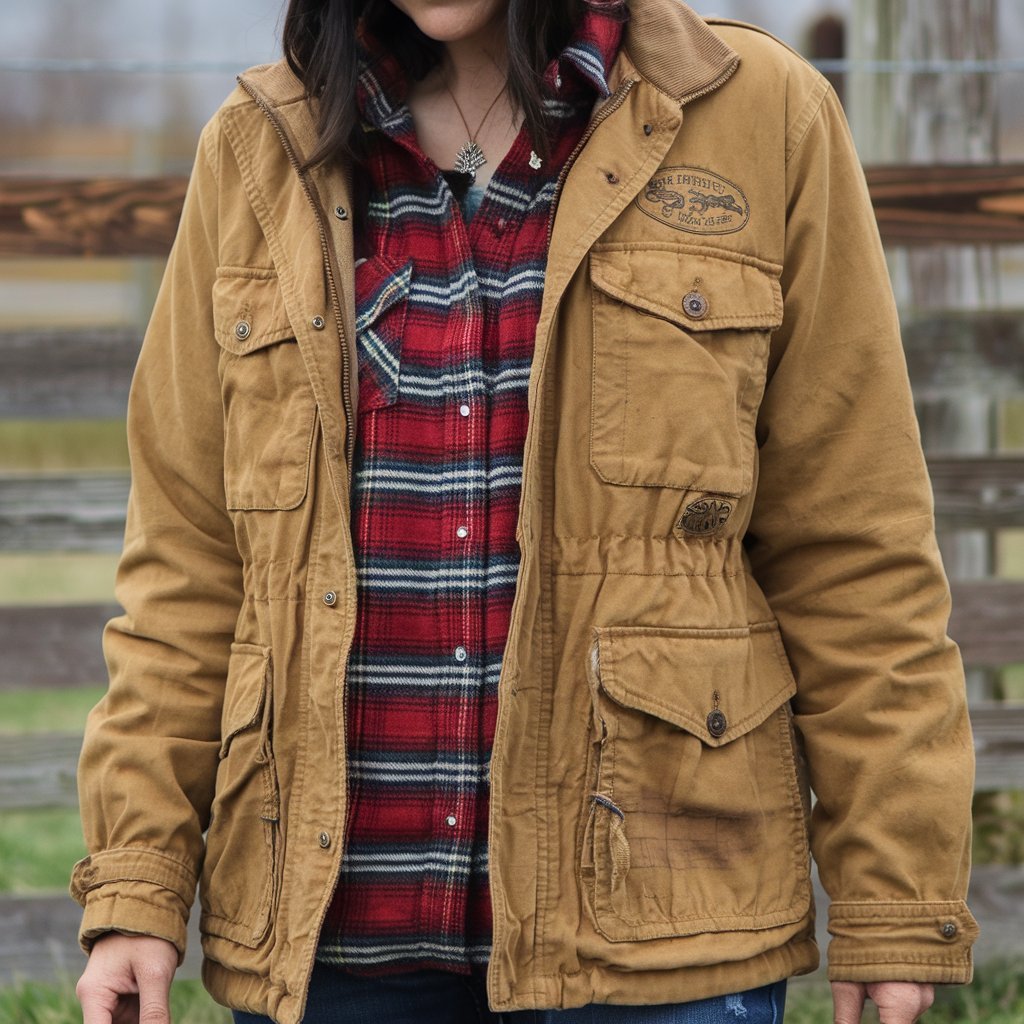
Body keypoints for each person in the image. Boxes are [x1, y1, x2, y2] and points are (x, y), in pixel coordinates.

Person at [71, 1, 979, 1022]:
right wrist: (136, 885)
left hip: (657, 945)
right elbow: (188, 569)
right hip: (333, 950)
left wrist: (892, 901)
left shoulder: (760, 116)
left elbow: (853, 551)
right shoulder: (259, 145)